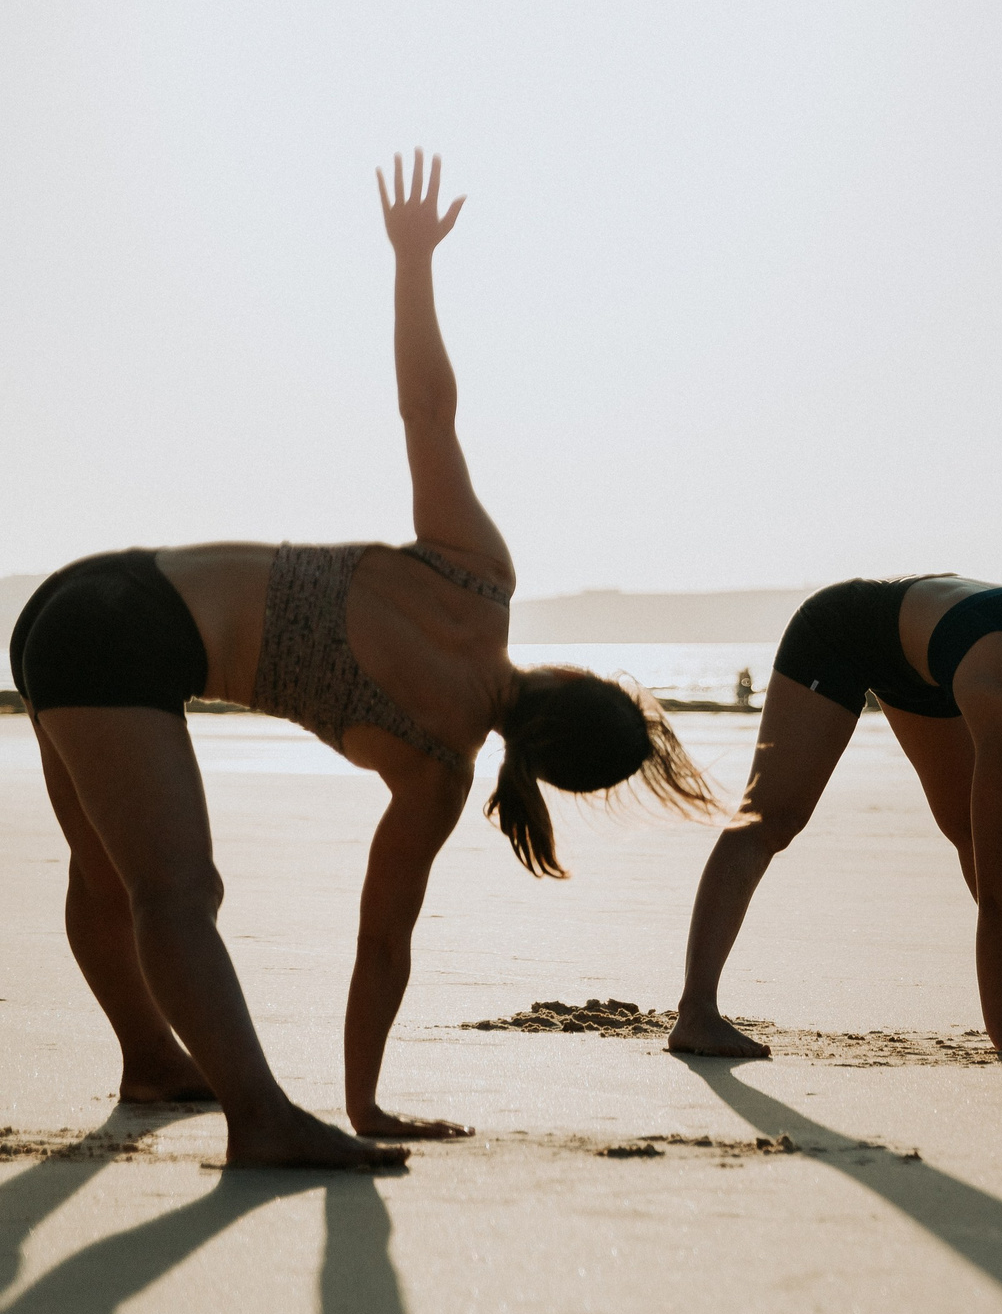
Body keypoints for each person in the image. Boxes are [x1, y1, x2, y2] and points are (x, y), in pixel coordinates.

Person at [8, 152, 724, 1170]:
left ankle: (153, 1063)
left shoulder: (480, 579)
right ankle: (259, 1115)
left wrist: (412, 260)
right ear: (550, 774)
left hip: (80, 599)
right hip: (123, 647)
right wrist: (366, 1102)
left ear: (577, 680)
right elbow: (380, 945)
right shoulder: (436, 772)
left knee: (112, 874)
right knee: (176, 892)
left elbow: (427, 413)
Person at [669, 319, 1002, 1059]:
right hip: (842, 628)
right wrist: (999, 1037)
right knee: (770, 817)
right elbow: (996, 903)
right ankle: (695, 1009)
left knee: (973, 836)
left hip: (934, 662)